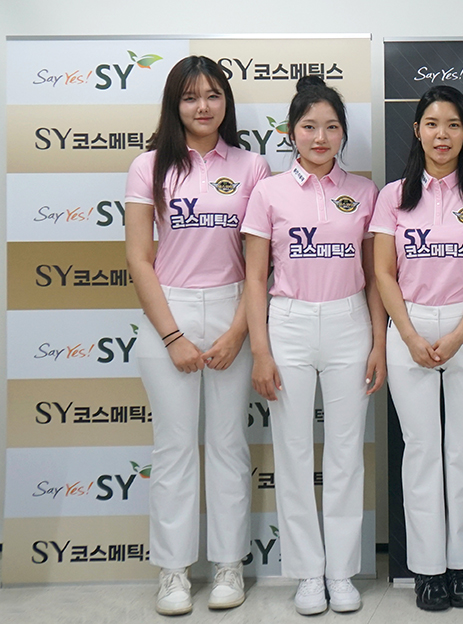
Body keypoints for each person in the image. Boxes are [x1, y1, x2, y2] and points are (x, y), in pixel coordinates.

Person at [126, 56, 270, 615]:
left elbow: (260, 263)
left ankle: (230, 565)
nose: (203, 106)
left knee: (230, 444)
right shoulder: (149, 166)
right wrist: (172, 337)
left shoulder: (253, 165)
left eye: (213, 95)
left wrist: (238, 331)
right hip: (172, 310)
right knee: (174, 448)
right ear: (174, 104)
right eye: (190, 97)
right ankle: (173, 572)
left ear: (226, 102)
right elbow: (140, 259)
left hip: (235, 309)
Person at [243, 76, 386, 616]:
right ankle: (307, 573)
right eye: (309, 127)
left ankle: (342, 572)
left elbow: (375, 278)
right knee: (294, 451)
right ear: (291, 132)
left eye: (330, 127)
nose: (320, 137)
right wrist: (261, 351)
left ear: (343, 133)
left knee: (346, 453)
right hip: (289, 324)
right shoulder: (268, 192)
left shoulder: (366, 193)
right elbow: (255, 278)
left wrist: (378, 342)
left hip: (350, 322)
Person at [371, 86, 463, 611]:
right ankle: (427, 569)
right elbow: (383, 272)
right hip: (410, 326)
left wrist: (459, 334)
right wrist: (408, 335)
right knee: (422, 449)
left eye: (452, 124)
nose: (441, 134)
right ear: (417, 131)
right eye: (431, 123)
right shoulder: (393, 196)